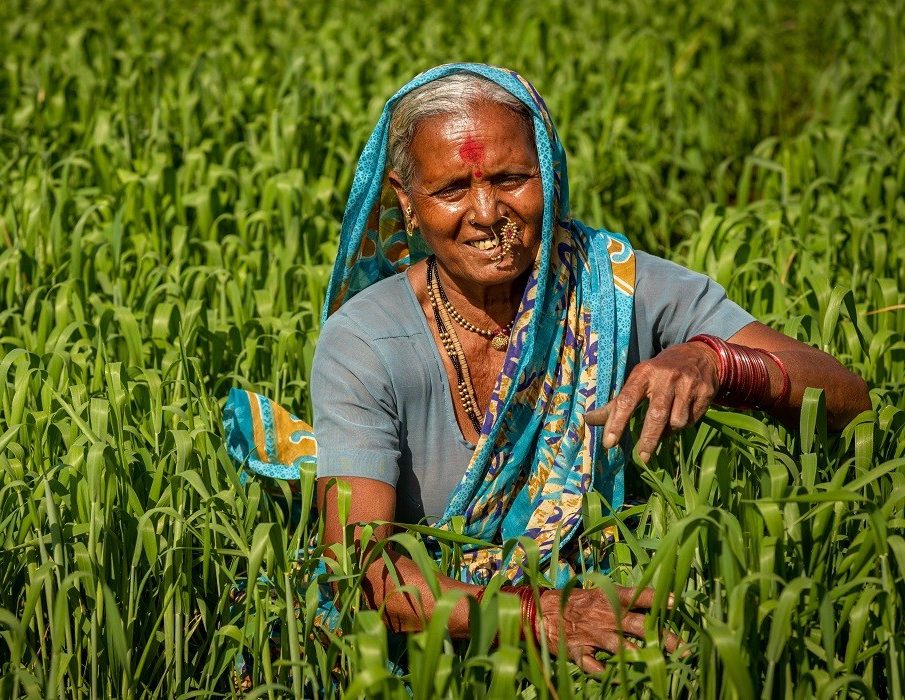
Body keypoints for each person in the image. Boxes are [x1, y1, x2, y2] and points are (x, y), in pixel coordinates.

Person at [298, 63, 871, 672]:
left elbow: (848, 398)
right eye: (451, 191)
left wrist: (718, 360)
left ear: (549, 171)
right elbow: (358, 573)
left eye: (513, 178)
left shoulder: (612, 287)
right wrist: (538, 613)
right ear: (408, 206)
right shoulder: (364, 343)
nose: (489, 212)